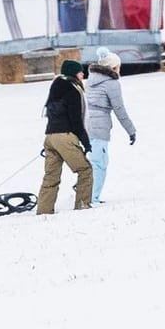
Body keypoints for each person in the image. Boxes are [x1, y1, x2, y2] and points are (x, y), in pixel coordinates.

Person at [36, 60, 95, 214]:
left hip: (50, 137)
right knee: (85, 170)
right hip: (65, 137)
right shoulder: (73, 91)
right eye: (80, 72)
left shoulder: (55, 87)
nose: (83, 74)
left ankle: (44, 211)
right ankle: (83, 206)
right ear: (73, 73)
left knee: (51, 176)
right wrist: (86, 143)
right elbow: (76, 121)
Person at [84, 47, 138, 205]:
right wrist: (131, 130)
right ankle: (91, 198)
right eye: (118, 66)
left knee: (93, 161)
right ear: (113, 67)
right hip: (99, 127)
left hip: (87, 125)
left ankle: (87, 193)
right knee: (99, 163)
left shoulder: (90, 79)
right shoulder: (111, 83)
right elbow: (119, 109)